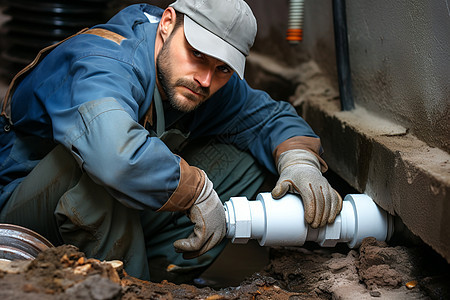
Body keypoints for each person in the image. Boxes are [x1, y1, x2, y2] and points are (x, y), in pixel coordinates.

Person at [0, 0, 342, 282]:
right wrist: (195, 190)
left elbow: (270, 117)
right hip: (20, 217)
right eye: (197, 54)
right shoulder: (103, 62)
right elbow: (116, 155)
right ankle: (128, 286)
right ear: (167, 23)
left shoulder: (204, 78)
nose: (205, 79)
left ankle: (149, 279)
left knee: (250, 161)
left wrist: (300, 160)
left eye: (223, 68)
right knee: (97, 166)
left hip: (102, 211)